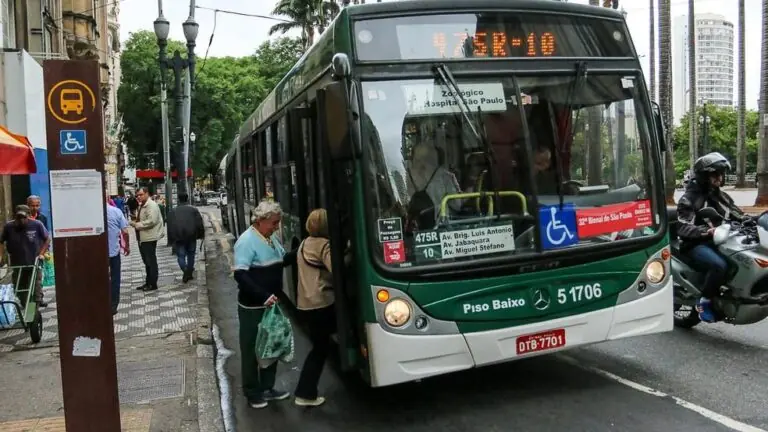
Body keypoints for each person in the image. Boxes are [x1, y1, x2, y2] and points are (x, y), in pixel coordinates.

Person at [233, 199, 296, 409]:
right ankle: (252, 391)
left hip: (271, 304)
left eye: (278, 222)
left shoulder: (270, 238)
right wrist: (262, 295)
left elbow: (280, 260)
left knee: (272, 345)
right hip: (253, 306)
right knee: (252, 348)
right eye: (274, 223)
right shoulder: (246, 241)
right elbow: (241, 275)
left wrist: (301, 252)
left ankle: (268, 387)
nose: (277, 226)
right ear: (261, 220)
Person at [676, 152, 746, 323]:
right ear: (704, 175)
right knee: (719, 266)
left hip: (720, 240)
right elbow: (683, 226)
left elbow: (736, 213)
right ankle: (705, 301)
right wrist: (705, 231)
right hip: (695, 244)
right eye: (716, 174)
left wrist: (753, 220)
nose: (720, 178)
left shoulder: (719, 195)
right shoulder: (689, 199)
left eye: (721, 174)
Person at [293, 209, 350, 407]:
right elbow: (338, 268)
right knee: (320, 349)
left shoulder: (305, 243)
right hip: (322, 303)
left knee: (319, 346)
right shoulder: (323, 245)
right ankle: (305, 393)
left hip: (306, 304)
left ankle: (305, 392)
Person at [0, 205, 51, 307]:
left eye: (24, 217)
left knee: (36, 284)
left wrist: (41, 254)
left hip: (34, 261)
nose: (21, 220)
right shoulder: (9, 227)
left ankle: (36, 304)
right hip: (17, 262)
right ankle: (24, 303)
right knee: (19, 285)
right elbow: (1, 241)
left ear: (28, 216)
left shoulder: (37, 224)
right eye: (19, 218)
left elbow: (47, 239)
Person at [130, 188, 164, 292]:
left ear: (147, 194)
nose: (139, 197)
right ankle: (148, 282)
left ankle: (152, 284)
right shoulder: (142, 205)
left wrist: (137, 224)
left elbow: (151, 221)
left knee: (150, 261)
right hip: (143, 238)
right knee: (146, 261)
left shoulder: (151, 205)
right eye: (137, 195)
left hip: (149, 237)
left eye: (141, 194)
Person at [166, 193, 205, 283]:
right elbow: (199, 223)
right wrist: (201, 234)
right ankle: (189, 273)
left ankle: (186, 271)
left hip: (179, 237)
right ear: (187, 199)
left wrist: (171, 239)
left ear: (178, 200)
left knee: (181, 255)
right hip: (191, 236)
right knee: (191, 254)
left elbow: (170, 226)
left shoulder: (173, 211)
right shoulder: (193, 210)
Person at [106, 196, 130, 314]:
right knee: (115, 278)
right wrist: (127, 246)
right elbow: (125, 231)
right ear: (108, 198)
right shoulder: (116, 211)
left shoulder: (91, 213)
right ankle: (113, 305)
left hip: (98, 254)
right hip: (113, 251)